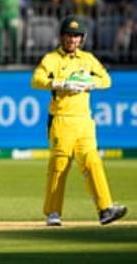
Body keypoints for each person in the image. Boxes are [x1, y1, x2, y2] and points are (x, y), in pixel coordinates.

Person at [31, 16, 128, 227]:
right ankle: (53, 213)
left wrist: (89, 84)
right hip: (62, 120)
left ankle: (105, 209)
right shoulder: (52, 59)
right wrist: (62, 84)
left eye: (76, 36)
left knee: (92, 162)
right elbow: (36, 80)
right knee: (59, 165)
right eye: (69, 35)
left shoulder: (88, 59)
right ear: (62, 37)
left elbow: (106, 80)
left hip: (84, 121)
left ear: (82, 39)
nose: (72, 40)